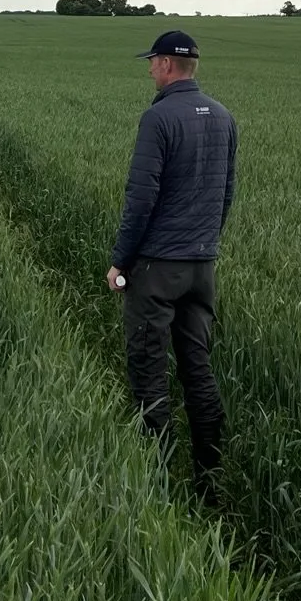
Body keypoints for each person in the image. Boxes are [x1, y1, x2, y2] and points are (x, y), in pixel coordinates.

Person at [106, 29, 236, 502]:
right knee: (197, 367)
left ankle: (157, 479)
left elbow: (140, 199)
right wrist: (204, 243)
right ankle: (210, 478)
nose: (149, 69)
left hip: (158, 266)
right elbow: (225, 195)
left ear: (165, 65)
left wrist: (121, 261)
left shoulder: (158, 118)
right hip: (202, 265)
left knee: (148, 365)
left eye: (152, 62)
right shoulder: (223, 117)